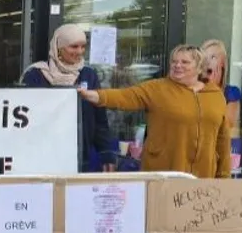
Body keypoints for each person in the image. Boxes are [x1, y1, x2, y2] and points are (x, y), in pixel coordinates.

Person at [78, 44, 231, 179]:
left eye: (184, 62)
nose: (177, 65)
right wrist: (94, 95)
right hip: (164, 174)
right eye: (174, 61)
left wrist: (224, 177)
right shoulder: (158, 88)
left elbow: (222, 139)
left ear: (199, 68)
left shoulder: (215, 95)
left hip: (203, 178)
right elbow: (125, 96)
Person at [22, 24, 116, 173]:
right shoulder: (36, 75)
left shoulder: (88, 75)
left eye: (83, 46)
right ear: (59, 47)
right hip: (43, 157)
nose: (79, 52)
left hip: (80, 157)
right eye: (73, 47)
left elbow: (99, 119)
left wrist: (106, 153)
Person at [201, 39, 242, 131]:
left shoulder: (231, 92)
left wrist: (213, 87)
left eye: (213, 57)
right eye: (205, 57)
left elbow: (228, 124)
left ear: (222, 63)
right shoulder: (193, 89)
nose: (208, 61)